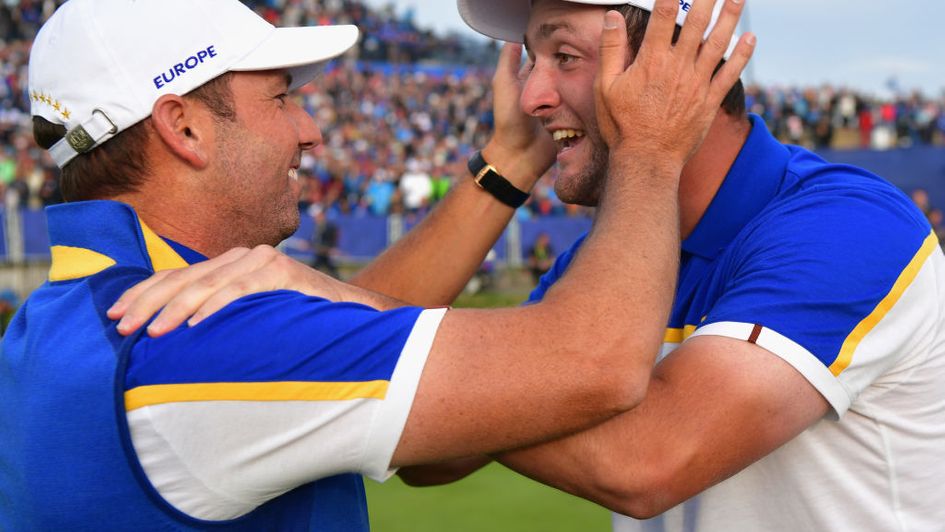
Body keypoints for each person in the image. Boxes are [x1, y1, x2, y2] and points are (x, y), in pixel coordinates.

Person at [120, 1, 945, 530]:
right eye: (530, 61)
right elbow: (437, 455)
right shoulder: (610, 260)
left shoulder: (845, 225)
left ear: (679, 64)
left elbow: (647, 460)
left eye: (564, 57)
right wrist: (506, 167)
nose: (531, 95)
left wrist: (329, 296)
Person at [0, 0, 753, 530]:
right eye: (282, 98)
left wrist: (507, 164)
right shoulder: (195, 342)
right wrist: (652, 148)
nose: (309, 131)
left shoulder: (75, 316)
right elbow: (595, 362)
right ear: (185, 126)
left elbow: (349, 319)